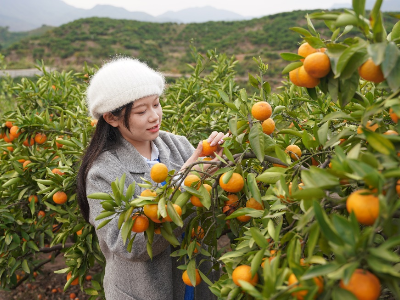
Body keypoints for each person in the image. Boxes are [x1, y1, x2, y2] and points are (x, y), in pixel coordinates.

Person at [76, 57, 225, 300]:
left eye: (156, 105)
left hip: (195, 283)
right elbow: (131, 245)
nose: (154, 116)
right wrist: (187, 181)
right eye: (141, 111)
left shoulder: (178, 145)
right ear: (112, 118)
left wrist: (220, 167)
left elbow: (208, 209)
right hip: (144, 291)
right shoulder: (103, 172)